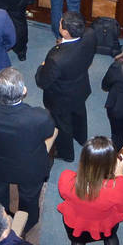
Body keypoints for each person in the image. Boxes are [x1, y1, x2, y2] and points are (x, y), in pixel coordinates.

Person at [0, 68, 55, 229]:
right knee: (29, 198)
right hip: (29, 168)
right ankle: (27, 224)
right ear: (24, 91)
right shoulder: (40, 117)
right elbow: (48, 133)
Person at [56, 135, 123, 245]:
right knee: (111, 238)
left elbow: (64, 194)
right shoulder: (116, 187)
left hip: (76, 223)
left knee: (78, 242)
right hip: (105, 224)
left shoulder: (67, 178)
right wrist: (120, 176)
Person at [36, 11, 98, 161]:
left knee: (62, 125)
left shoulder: (56, 58)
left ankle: (66, 154)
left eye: (60, 22)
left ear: (65, 32)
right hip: (80, 87)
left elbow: (42, 81)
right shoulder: (90, 34)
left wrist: (42, 66)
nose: (59, 23)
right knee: (79, 112)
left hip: (61, 98)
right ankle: (81, 137)